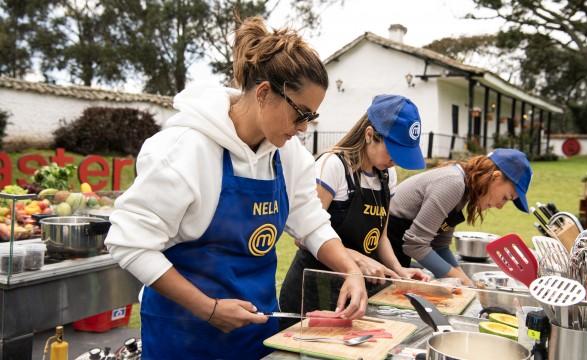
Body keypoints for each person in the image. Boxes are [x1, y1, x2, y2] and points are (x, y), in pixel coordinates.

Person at [104, 17, 367, 359]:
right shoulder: (184, 150)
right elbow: (130, 244)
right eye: (300, 114)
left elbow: (311, 222)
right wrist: (209, 308)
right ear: (263, 94)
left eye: (310, 118)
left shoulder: (290, 158)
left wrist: (350, 270)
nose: (303, 128)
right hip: (182, 334)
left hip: (254, 329)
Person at [279, 95, 430, 319]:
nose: (396, 160)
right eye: (393, 151)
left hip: (355, 290)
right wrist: (357, 259)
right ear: (369, 135)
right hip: (315, 287)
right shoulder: (333, 166)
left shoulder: (388, 175)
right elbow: (303, 237)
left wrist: (399, 271)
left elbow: (380, 237)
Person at [386, 148, 533, 286]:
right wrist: (458, 278)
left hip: (397, 254)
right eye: (506, 198)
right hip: (384, 248)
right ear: (496, 177)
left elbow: (440, 245)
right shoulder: (454, 183)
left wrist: (463, 279)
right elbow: (415, 245)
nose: (501, 206)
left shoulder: (464, 189)